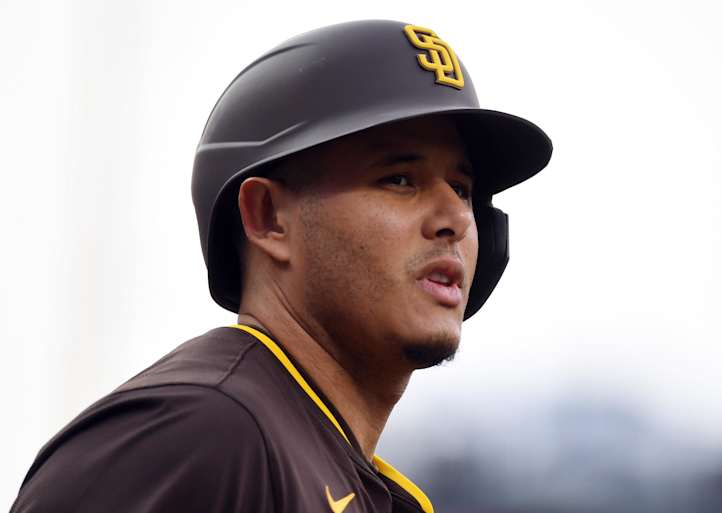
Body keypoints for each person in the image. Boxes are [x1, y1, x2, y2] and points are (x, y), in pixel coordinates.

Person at [11, 19, 551, 513]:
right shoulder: (198, 435)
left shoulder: (323, 464)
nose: (454, 217)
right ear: (268, 218)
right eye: (400, 179)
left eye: (462, 188)